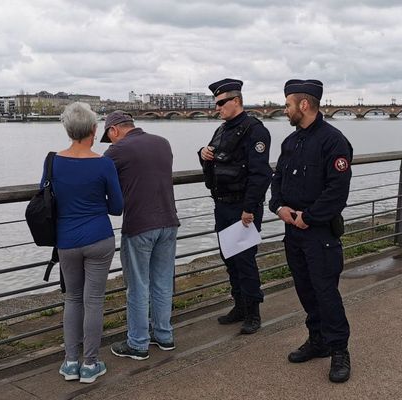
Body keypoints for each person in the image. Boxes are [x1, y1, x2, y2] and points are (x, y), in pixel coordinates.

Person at [269, 80, 353, 383]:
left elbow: (337, 190)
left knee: (326, 293)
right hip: (293, 232)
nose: (285, 109)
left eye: (288, 104)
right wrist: (278, 207)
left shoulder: (333, 141)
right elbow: (276, 180)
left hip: (320, 235)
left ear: (304, 105)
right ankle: (317, 341)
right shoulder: (291, 143)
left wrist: (310, 217)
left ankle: (339, 350)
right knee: (305, 290)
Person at [48, 102, 123, 384]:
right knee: (94, 301)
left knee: (72, 299)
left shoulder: (53, 162)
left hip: (66, 240)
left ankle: (70, 362)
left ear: (68, 130)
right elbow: (117, 207)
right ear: (94, 130)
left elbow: (47, 199)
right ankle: (90, 364)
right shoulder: (103, 163)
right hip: (99, 238)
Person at [103, 111, 180, 361]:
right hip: (169, 221)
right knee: (162, 281)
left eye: (109, 137)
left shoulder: (118, 150)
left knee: (137, 285)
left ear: (114, 130)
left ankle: (137, 343)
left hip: (139, 225)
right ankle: (164, 334)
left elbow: (96, 176)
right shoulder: (162, 142)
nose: (110, 142)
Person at [198, 78, 272, 334]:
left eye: (221, 103)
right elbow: (217, 157)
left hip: (243, 207)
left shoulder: (255, 130)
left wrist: (249, 208)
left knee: (244, 260)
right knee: (229, 258)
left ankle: (253, 312)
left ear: (236, 101)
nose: (217, 108)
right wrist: (203, 153)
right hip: (223, 204)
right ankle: (239, 305)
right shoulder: (222, 130)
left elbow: (260, 174)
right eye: (216, 104)